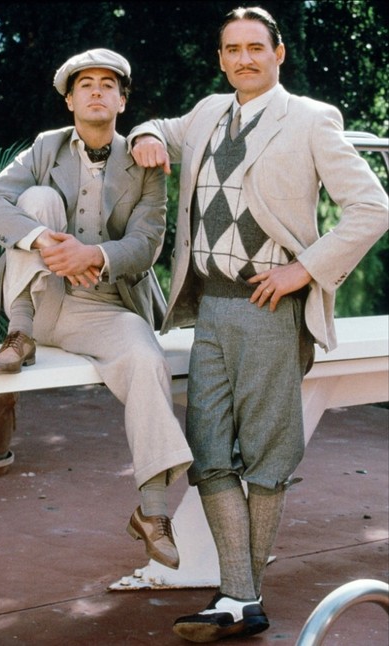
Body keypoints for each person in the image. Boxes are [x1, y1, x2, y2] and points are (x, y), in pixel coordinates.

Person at [128, 6, 388, 642]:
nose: (244, 58)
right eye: (232, 49)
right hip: (209, 308)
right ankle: (240, 601)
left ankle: (242, 597)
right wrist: (144, 136)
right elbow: (158, 123)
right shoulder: (209, 111)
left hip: (270, 306)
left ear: (278, 55)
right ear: (221, 59)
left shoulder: (311, 119)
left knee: (267, 455)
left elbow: (372, 207)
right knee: (210, 453)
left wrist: (304, 271)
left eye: (255, 47)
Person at [0, 48, 193, 571]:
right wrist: (51, 245)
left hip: (104, 305)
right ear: (70, 98)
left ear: (122, 99)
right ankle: (19, 334)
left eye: (107, 84)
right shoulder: (45, 147)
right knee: (39, 203)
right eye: (85, 83)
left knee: (146, 361)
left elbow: (146, 243)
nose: (96, 90)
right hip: (42, 298)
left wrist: (93, 255)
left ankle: (153, 511)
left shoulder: (145, 162)